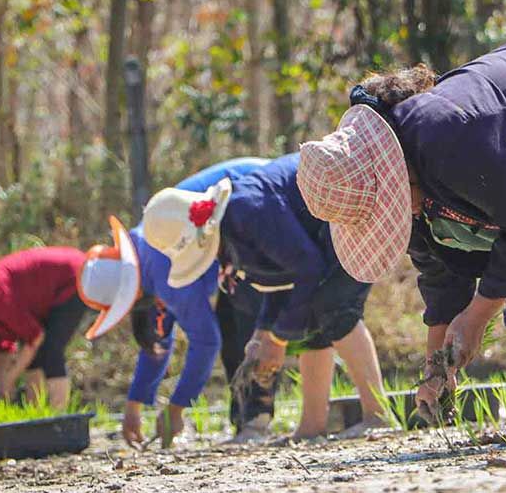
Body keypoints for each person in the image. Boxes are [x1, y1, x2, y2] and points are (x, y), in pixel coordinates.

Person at [297, 28, 506, 442]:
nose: (399, 214)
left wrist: (477, 316)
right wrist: (437, 366)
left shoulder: (447, 134)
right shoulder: (407, 182)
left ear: (395, 174)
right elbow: (440, 274)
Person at [142, 154, 388, 440]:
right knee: (311, 317)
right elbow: (282, 279)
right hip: (325, 233)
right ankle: (312, 426)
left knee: (334, 306)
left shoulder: (246, 210)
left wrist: (277, 338)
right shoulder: (232, 228)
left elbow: (307, 267)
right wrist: (263, 333)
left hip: (351, 202)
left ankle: (377, 416)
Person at [111, 157, 276, 448]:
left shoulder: (159, 265)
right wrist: (134, 405)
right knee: (230, 321)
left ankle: (255, 419)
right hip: (243, 217)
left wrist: (177, 408)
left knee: (241, 320)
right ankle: (245, 419)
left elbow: (204, 341)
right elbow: (157, 339)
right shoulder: (143, 255)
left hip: (257, 206)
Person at [0, 246, 120, 408]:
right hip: (46, 294)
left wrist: (10, 378)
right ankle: (35, 417)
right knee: (34, 357)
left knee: (49, 350)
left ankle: (57, 418)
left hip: (74, 275)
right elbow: (0, 353)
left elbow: (35, 337)